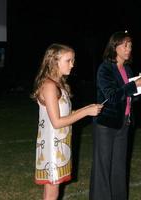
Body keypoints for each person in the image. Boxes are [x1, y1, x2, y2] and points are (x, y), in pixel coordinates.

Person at [31, 43, 103, 200]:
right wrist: (85, 112)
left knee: (53, 189)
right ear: (54, 61)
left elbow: (65, 114)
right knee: (52, 191)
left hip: (60, 143)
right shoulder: (49, 86)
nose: (72, 64)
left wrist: (87, 108)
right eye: (68, 60)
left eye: (73, 60)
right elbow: (56, 122)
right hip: (51, 146)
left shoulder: (59, 84)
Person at [89, 31, 141, 200]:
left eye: (130, 45)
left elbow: (129, 97)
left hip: (123, 123)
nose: (128, 48)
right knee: (103, 168)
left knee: (118, 168)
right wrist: (133, 85)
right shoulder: (105, 68)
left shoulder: (127, 69)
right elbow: (112, 96)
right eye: (124, 45)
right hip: (106, 124)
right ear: (114, 47)